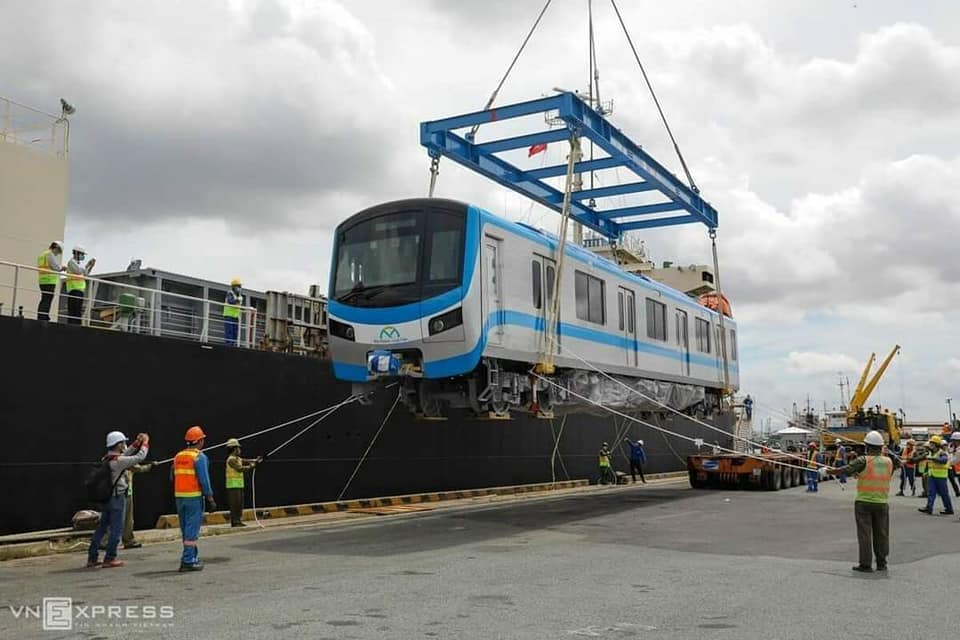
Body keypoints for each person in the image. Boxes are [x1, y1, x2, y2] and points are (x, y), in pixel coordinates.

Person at [826, 430, 898, 573]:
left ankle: (865, 564)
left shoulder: (863, 460)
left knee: (865, 534)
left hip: (864, 502)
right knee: (882, 533)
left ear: (867, 446)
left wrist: (828, 471)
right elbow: (879, 475)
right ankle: (882, 563)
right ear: (881, 447)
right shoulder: (889, 462)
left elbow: (846, 470)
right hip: (882, 502)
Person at [86, 431, 150, 568]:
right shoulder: (119, 462)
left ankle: (92, 557)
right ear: (118, 444)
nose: (125, 445)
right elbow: (139, 457)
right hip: (117, 498)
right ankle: (110, 558)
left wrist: (136, 443)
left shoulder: (108, 458)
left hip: (107, 499)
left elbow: (125, 455)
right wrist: (145, 442)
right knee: (117, 529)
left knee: (102, 528)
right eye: (123, 443)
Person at [173, 425, 215, 572]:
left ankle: (192, 556)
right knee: (192, 529)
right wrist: (210, 498)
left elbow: (172, 477)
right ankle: (188, 560)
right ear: (200, 441)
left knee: (186, 529)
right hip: (194, 498)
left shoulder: (178, 457)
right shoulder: (199, 457)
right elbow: (204, 480)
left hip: (179, 497)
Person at [225, 438, 261, 527]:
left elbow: (246, 460)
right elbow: (239, 469)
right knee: (235, 504)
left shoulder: (238, 458)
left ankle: (238, 521)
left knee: (239, 504)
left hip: (239, 485)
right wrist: (251, 467)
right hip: (232, 486)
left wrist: (256, 460)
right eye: (238, 448)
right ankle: (235, 521)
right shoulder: (231, 459)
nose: (239, 450)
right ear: (234, 449)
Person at [918, 436, 954, 515]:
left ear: (936, 444)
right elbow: (920, 458)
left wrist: (932, 459)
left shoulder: (942, 452)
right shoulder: (931, 453)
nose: (930, 445)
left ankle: (949, 509)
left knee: (944, 494)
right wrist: (909, 460)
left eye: (932, 443)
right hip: (932, 476)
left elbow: (944, 461)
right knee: (931, 492)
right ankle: (929, 508)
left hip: (941, 477)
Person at [65, 245, 96, 325]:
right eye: (82, 254)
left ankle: (77, 325)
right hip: (73, 289)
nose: (82, 256)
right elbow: (79, 271)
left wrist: (90, 265)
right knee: (74, 311)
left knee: (77, 310)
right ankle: (73, 326)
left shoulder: (78, 264)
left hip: (79, 290)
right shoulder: (71, 262)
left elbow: (85, 274)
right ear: (76, 253)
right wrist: (85, 267)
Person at [36, 240, 65, 321]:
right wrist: (62, 268)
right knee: (47, 299)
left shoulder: (42, 254)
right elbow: (55, 267)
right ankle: (43, 317)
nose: (58, 253)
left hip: (42, 280)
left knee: (44, 299)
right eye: (59, 251)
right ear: (56, 247)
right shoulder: (49, 254)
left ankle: (42, 316)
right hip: (49, 281)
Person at [223, 278, 244, 346]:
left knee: (235, 332)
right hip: (228, 315)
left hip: (235, 316)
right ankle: (229, 345)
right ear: (234, 287)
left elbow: (238, 304)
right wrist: (237, 301)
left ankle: (233, 344)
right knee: (229, 332)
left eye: (240, 287)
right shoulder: (230, 293)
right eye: (238, 286)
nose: (239, 288)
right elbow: (230, 301)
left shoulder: (240, 296)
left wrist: (237, 300)